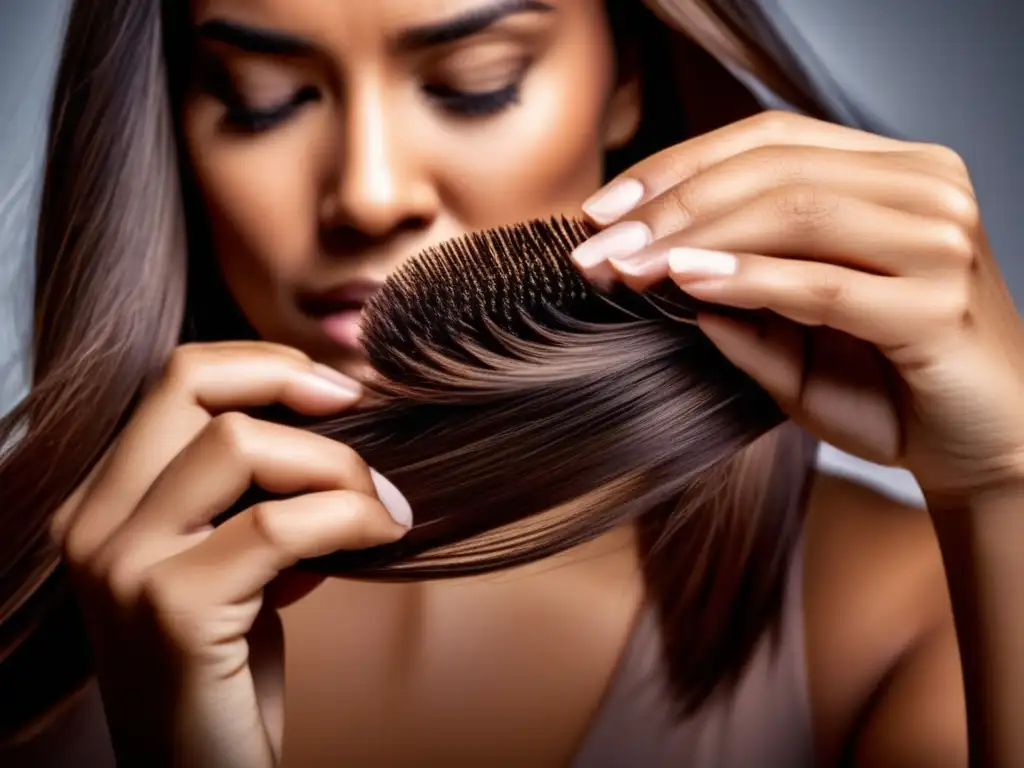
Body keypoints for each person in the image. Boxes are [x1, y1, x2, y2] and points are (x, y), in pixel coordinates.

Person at [1, 0, 1022, 765]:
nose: (368, 192)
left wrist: (1003, 484)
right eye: (264, 101)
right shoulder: (19, 601)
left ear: (627, 73)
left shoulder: (893, 615)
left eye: (473, 83)